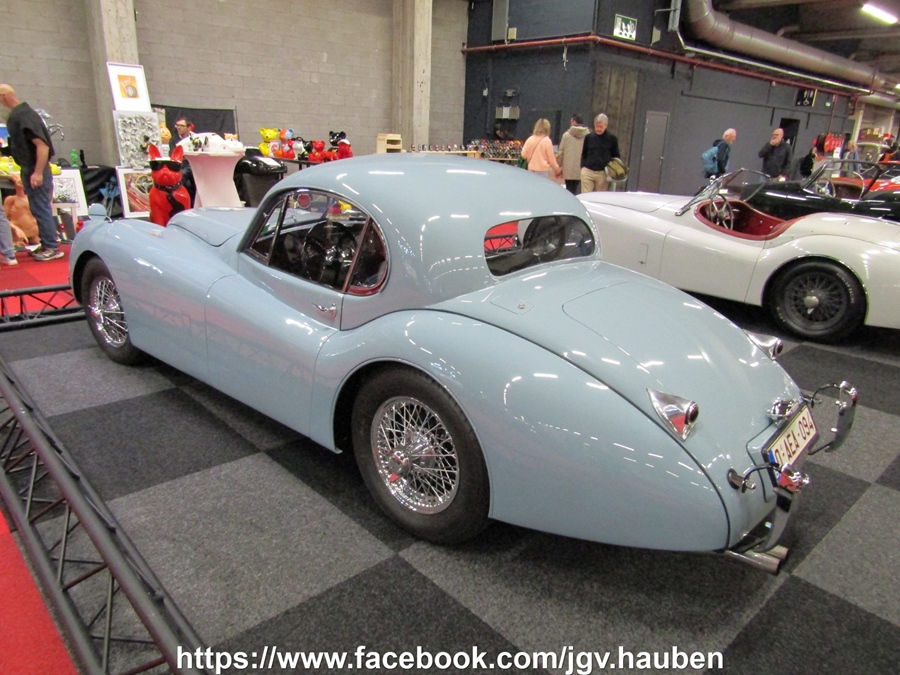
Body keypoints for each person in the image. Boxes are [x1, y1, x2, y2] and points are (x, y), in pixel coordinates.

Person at [0, 83, 62, 261]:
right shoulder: (20, 115)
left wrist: (38, 172)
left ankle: (51, 246)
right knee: (37, 207)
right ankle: (47, 243)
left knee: (40, 207)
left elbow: (42, 146)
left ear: (3, 96)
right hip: (30, 168)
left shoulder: (24, 116)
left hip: (35, 168)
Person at [556, 114, 590, 194]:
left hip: (568, 168)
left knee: (569, 189)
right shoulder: (588, 136)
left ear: (574, 122)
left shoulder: (566, 135)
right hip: (581, 168)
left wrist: (558, 166)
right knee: (577, 189)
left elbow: (561, 152)